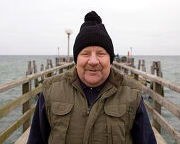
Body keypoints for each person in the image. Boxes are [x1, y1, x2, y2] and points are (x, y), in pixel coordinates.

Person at [27, 11, 157, 144]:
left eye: (101, 53)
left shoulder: (132, 93)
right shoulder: (50, 90)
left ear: (110, 60)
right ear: (76, 59)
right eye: (85, 53)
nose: (93, 61)